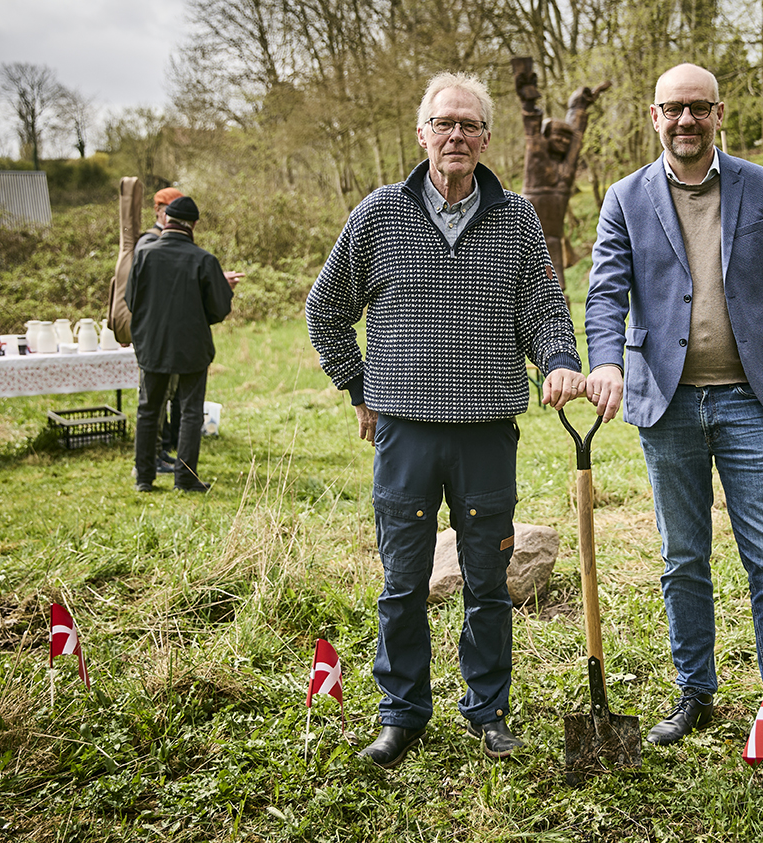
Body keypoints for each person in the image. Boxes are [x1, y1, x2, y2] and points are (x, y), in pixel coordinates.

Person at [584, 63, 763, 781]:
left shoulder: (762, 188)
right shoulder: (624, 198)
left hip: (751, 399)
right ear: (654, 115)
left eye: (698, 109)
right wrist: (605, 360)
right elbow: (606, 291)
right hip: (666, 402)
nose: (686, 121)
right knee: (682, 557)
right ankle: (694, 692)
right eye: (673, 109)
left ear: (718, 113)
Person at [305, 72, 585, 770]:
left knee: (487, 582)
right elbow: (325, 309)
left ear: (486, 139)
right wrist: (358, 387)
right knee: (402, 581)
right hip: (405, 432)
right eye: (444, 123)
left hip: (488, 428)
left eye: (469, 124)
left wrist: (557, 359)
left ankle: (488, 711)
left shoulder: (517, 218)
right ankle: (400, 715)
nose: (455, 135)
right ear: (422, 133)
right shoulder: (377, 215)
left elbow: (544, 311)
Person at [126, 196, 233, 493]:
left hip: (152, 345)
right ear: (194, 225)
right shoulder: (204, 260)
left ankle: (144, 479)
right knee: (189, 410)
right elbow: (220, 308)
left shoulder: (144, 255)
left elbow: (131, 301)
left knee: (148, 409)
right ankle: (185, 479)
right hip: (192, 346)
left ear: (166, 221)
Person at [513, 59, 608, 300]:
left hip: (553, 236)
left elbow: (576, 135)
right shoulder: (537, 159)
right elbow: (532, 130)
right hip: (525, 233)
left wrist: (579, 106)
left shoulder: (565, 169)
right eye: (558, 136)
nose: (564, 141)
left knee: (556, 285)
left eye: (566, 139)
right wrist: (528, 101)